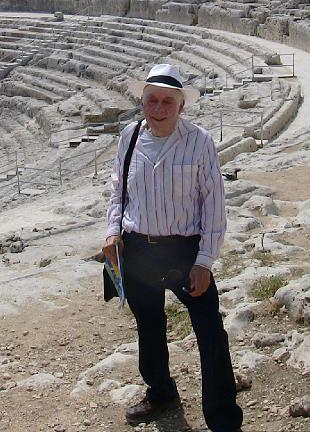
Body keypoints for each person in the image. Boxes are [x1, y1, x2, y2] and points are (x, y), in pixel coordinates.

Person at [103, 64, 243, 432]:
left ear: (181, 106)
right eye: (152, 100)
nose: (159, 108)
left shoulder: (200, 141)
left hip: (185, 251)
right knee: (148, 326)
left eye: (168, 101)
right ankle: (161, 390)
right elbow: (119, 190)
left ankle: (223, 418)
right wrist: (112, 232)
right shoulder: (129, 137)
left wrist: (205, 260)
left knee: (210, 333)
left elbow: (213, 203)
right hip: (139, 249)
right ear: (143, 102)